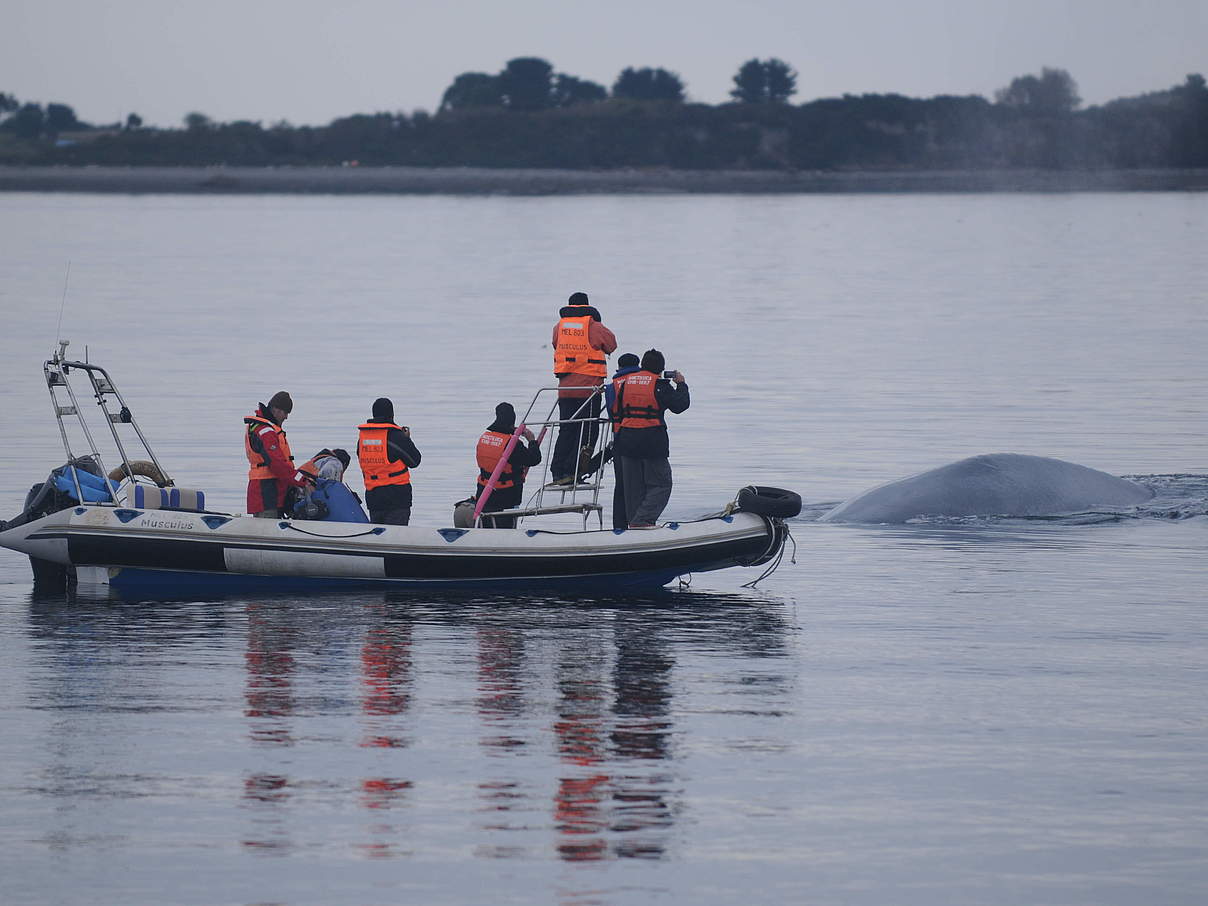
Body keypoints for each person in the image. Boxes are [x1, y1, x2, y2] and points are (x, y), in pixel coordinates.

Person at [613, 349, 690, 528]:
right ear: (661, 368)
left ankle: (634, 525)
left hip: (626, 441)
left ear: (642, 365)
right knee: (662, 484)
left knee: (633, 489)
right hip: (651, 441)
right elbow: (680, 405)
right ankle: (642, 521)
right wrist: (681, 384)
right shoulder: (660, 384)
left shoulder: (626, 383)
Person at [550, 291, 616, 486]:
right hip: (589, 389)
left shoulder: (558, 328)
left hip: (565, 390)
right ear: (587, 306)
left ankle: (558, 471)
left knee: (566, 431)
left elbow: (556, 345)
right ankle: (573, 471)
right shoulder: (593, 326)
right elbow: (611, 345)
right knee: (587, 431)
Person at [474, 402, 543, 528]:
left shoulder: (484, 438)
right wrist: (532, 441)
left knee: (487, 524)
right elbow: (534, 459)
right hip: (506, 496)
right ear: (512, 420)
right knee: (505, 525)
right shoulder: (512, 444)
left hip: (484, 493)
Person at [245, 391, 311, 518]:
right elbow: (277, 464)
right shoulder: (266, 432)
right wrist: (302, 481)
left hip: (265, 491)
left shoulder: (259, 427)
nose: (286, 417)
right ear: (275, 410)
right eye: (285, 413)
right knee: (267, 528)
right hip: (267, 492)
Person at [357, 397, 421, 525]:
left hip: (373, 497)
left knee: (378, 536)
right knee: (395, 537)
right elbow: (415, 461)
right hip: (397, 497)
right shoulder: (396, 436)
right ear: (392, 414)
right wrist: (407, 439)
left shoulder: (363, 439)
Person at [604, 352, 641, 530]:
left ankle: (619, 526)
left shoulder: (611, 387)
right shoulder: (642, 382)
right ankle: (640, 522)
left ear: (619, 367)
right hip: (643, 437)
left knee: (621, 484)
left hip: (620, 437)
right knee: (641, 483)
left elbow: (611, 414)